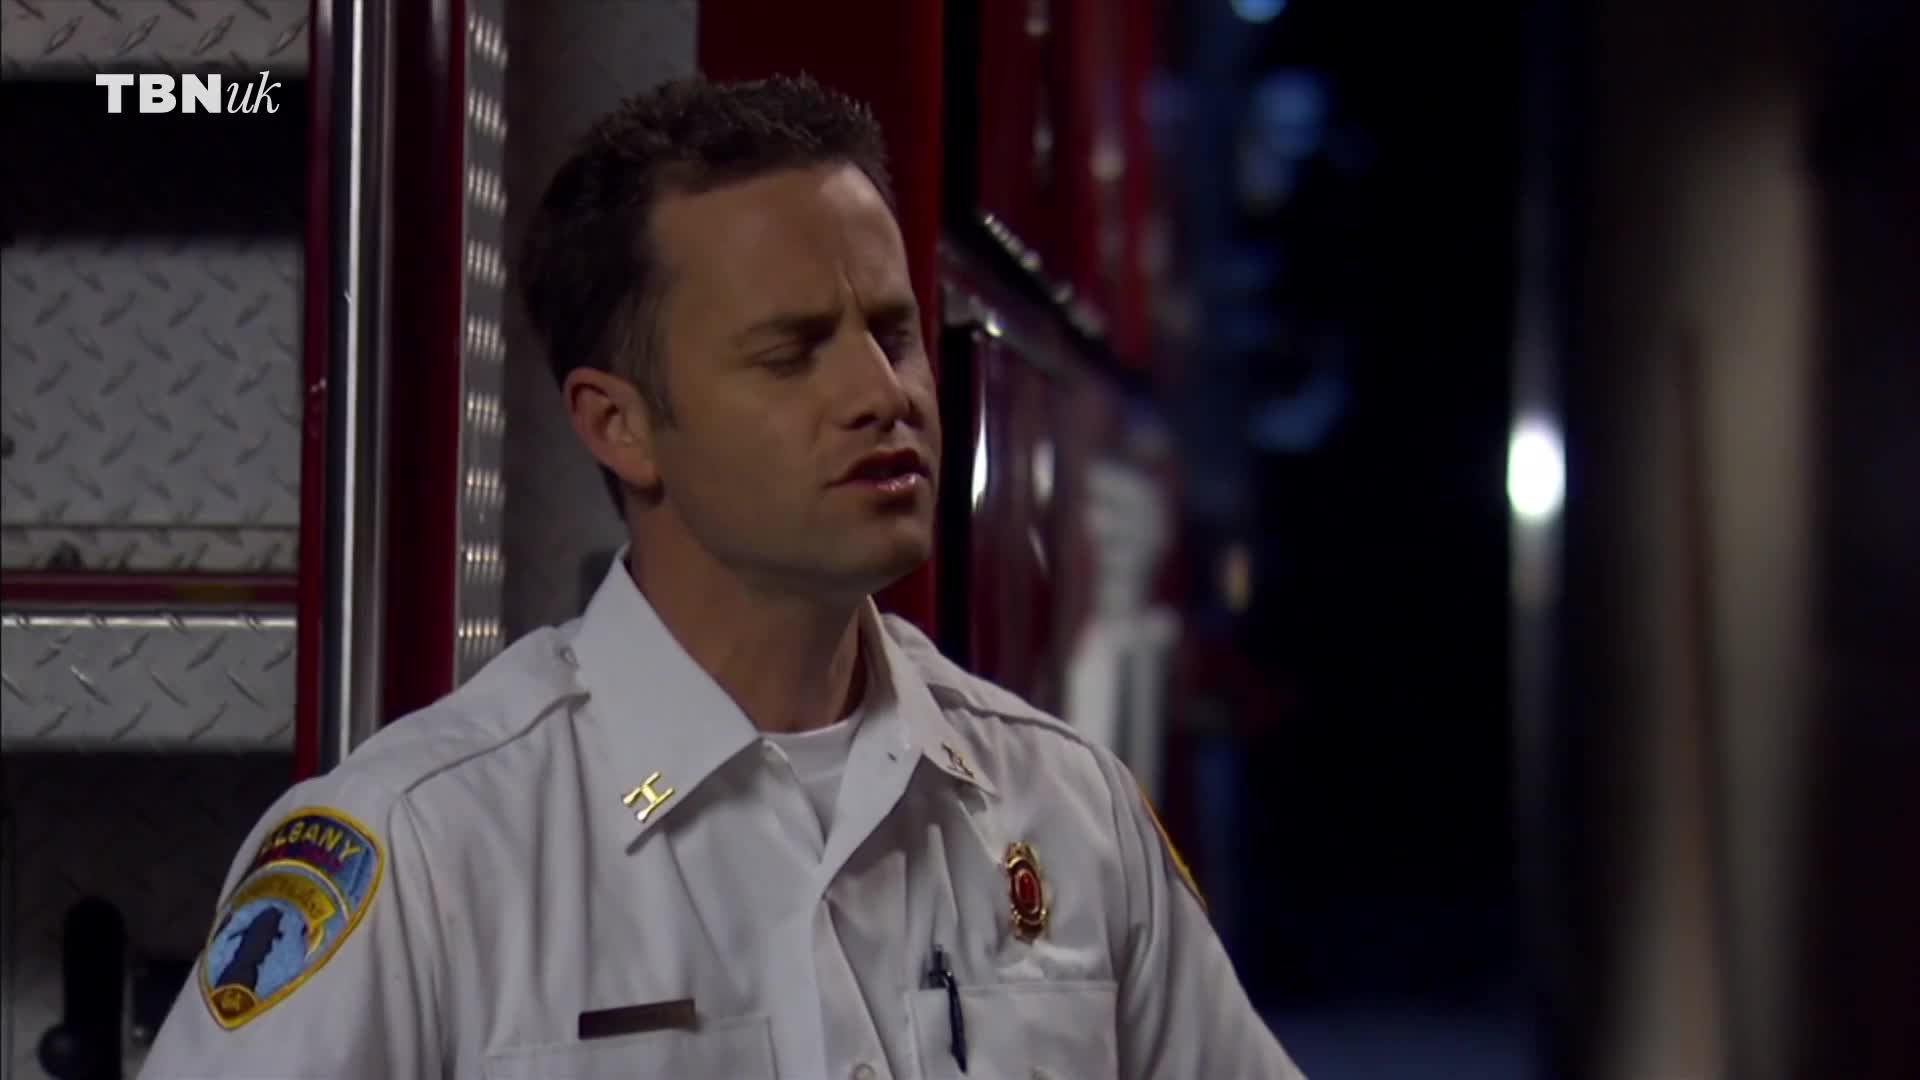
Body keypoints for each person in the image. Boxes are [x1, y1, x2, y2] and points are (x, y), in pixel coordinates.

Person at [138, 74, 1306, 1079]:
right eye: (790, 353)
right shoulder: (427, 854)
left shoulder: (1069, 812)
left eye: (891, 333)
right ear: (622, 426)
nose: (882, 393)